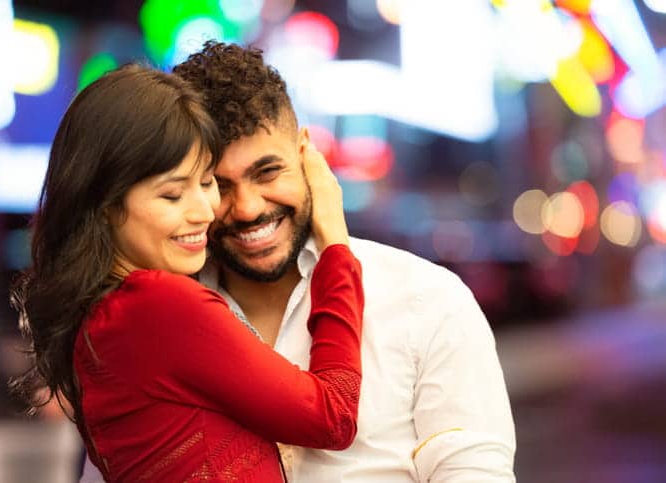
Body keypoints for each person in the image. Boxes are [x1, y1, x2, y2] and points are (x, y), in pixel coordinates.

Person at [83, 42, 517, 482]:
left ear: (307, 154)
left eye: (267, 172)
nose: (249, 207)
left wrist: (336, 252)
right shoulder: (153, 323)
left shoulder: (427, 300)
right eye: (218, 183)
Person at [11, 64, 367, 482]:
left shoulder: (102, 314)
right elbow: (333, 415)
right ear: (105, 205)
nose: (205, 211)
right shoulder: (157, 304)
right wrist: (337, 250)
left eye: (206, 181)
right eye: (173, 194)